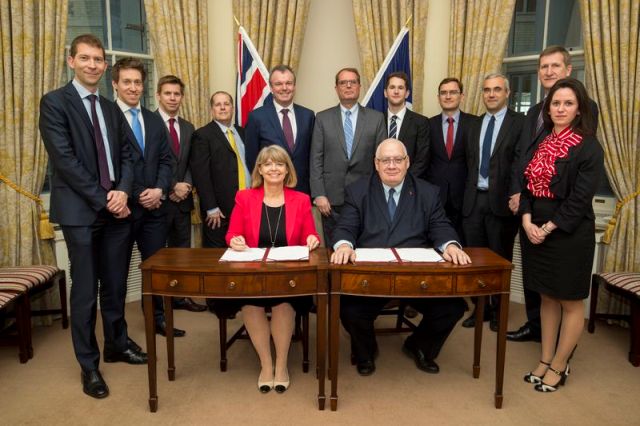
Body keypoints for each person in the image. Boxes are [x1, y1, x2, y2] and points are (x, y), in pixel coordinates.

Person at [39, 34, 143, 399]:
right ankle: (89, 365)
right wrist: (106, 199)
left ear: (105, 65)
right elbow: (64, 160)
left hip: (116, 211)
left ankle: (117, 344)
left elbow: (128, 155)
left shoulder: (111, 109)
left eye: (98, 59)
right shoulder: (55, 103)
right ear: (71, 61)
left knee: (115, 286)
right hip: (80, 212)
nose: (93, 65)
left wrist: (123, 192)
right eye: (85, 58)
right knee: (85, 292)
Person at [331, 139, 471, 376]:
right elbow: (345, 226)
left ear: (407, 162)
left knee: (453, 308)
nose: (392, 165)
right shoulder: (358, 190)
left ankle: (419, 346)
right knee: (349, 309)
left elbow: (440, 225)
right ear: (376, 164)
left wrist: (450, 245)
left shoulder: (427, 192)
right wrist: (344, 244)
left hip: (415, 276)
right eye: (385, 160)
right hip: (372, 277)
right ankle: (366, 351)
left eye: (398, 159)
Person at [507, 46, 599, 343]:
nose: (548, 71)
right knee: (538, 283)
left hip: (562, 218)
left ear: (568, 70)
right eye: (543, 66)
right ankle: (537, 328)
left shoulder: (585, 110)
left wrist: (547, 222)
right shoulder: (534, 111)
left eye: (555, 66)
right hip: (531, 206)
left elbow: (577, 167)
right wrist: (521, 196)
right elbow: (523, 156)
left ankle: (562, 347)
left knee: (563, 294)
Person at [519, 78, 603, 392]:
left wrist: (547, 228)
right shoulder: (540, 141)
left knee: (569, 300)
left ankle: (559, 364)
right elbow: (526, 185)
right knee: (547, 296)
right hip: (535, 228)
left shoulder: (589, 146)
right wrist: (527, 220)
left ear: (579, 109)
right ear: (548, 107)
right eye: (556, 103)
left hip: (569, 233)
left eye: (568, 103)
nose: (560, 108)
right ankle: (545, 358)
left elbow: (579, 200)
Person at [225, 145, 320, 393]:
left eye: (279, 164)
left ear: (287, 170)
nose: (274, 168)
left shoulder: (301, 199)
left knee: (283, 303)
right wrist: (234, 240)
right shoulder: (244, 197)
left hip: (288, 274)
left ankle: (282, 365)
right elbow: (232, 233)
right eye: (268, 164)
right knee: (251, 304)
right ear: (259, 169)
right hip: (254, 272)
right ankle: (266, 365)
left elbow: (310, 233)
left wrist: (312, 239)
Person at [111, 58, 181, 337]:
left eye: (138, 82)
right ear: (115, 84)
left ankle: (158, 320)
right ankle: (119, 336)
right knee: (117, 276)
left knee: (156, 271)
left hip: (154, 210)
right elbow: (113, 164)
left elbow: (167, 160)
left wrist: (160, 190)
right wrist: (139, 193)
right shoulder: (108, 117)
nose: (133, 87)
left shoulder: (153, 119)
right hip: (122, 211)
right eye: (127, 82)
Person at [460, 74, 524, 330]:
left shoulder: (519, 123)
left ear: (507, 93)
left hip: (501, 204)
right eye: (487, 90)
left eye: (497, 89)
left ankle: (498, 311)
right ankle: (480, 309)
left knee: (499, 260)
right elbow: (468, 163)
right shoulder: (474, 124)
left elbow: (520, 163)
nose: (491, 94)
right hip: (473, 201)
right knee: (475, 260)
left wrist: (517, 193)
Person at [310, 67, 386, 244]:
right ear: (336, 88)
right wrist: (319, 194)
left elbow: (381, 160)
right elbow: (315, 159)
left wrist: (378, 195)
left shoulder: (376, 118)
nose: (348, 86)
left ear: (359, 86)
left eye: (353, 82)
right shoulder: (322, 118)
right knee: (333, 249)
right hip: (330, 201)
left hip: (366, 197)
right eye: (343, 83)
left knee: (364, 249)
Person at [155, 75, 206, 313]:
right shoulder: (149, 123)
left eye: (177, 94)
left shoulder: (188, 127)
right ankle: (160, 304)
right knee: (159, 255)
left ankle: (180, 297)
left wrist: (185, 185)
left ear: (182, 97)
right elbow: (149, 163)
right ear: (158, 95)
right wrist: (172, 186)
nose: (173, 98)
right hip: (159, 202)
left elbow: (191, 162)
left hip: (183, 202)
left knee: (182, 252)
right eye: (168, 93)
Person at [190, 91, 249, 248]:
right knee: (218, 256)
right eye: (218, 104)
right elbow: (200, 175)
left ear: (232, 108)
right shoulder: (202, 135)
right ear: (212, 109)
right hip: (219, 212)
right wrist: (211, 207)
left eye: (226, 104)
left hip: (246, 206)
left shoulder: (243, 132)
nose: (223, 108)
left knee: (246, 252)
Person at [245, 64, 315, 194]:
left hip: (302, 190)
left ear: (294, 86)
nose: (284, 88)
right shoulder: (256, 117)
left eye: (289, 83)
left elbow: (313, 155)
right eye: (278, 84)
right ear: (271, 88)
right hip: (270, 190)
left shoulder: (308, 116)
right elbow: (252, 158)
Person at [425, 78, 478, 242]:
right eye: (443, 93)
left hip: (465, 197)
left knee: (464, 245)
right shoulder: (427, 124)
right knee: (435, 244)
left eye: (453, 92)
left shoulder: (475, 123)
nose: (448, 96)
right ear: (438, 97)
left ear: (462, 96)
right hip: (435, 196)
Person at [383, 71, 429, 177]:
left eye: (400, 88)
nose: (396, 91)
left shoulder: (421, 122)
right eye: (392, 87)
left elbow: (422, 159)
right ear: (385, 93)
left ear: (407, 93)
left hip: (410, 181)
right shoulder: (377, 120)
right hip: (380, 181)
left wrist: (403, 179)